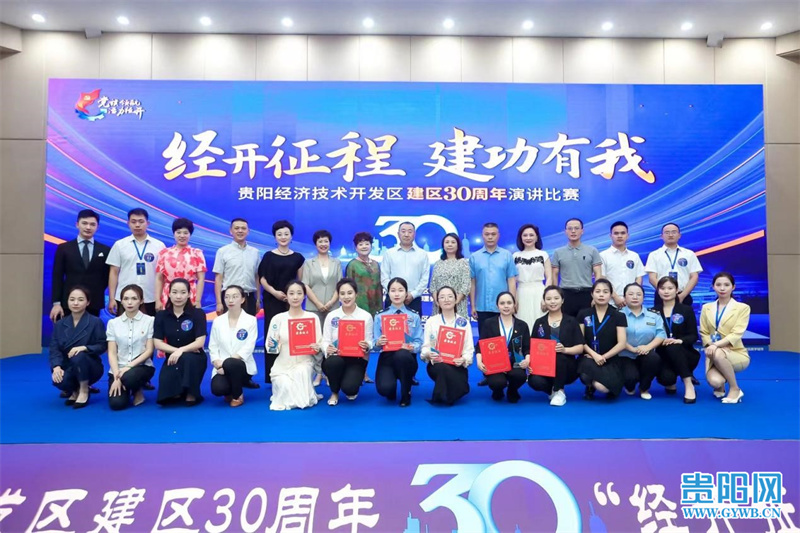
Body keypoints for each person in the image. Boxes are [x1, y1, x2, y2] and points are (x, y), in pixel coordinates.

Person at [259, 220, 305, 383]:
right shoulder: (268, 256)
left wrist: (294, 296)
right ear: (275, 237)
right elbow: (262, 279)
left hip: (292, 302)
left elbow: (300, 281)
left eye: (286, 234)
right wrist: (275, 293)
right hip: (272, 300)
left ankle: (292, 371)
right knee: (273, 335)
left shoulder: (298, 258)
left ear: (291, 236)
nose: (283, 237)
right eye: (279, 234)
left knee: (291, 335)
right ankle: (272, 375)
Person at [264, 280, 322, 410]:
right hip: (282, 365)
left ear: (304, 296)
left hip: (304, 363)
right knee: (284, 385)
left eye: (299, 293)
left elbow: (319, 343)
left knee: (300, 375)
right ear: (286, 296)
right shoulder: (278, 319)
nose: (295, 297)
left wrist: (317, 347)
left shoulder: (312, 318)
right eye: (291, 293)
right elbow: (270, 348)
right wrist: (274, 345)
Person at [154, 278, 208, 406]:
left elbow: (200, 342)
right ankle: (178, 390)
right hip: (173, 358)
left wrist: (182, 350)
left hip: (194, 357)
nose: (178, 296)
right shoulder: (161, 315)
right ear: (169, 293)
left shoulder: (198, 314)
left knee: (187, 358)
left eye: (183, 292)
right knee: (166, 398)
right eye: (175, 292)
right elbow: (157, 343)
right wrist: (177, 351)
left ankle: (191, 393)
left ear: (189, 294)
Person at [49, 286, 106, 408]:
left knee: (78, 356)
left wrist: (84, 348)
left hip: (90, 366)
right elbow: (54, 348)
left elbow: (102, 345)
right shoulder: (60, 324)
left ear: (88, 302)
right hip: (68, 365)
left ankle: (84, 389)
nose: (75, 303)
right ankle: (75, 390)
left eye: (80, 300)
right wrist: (56, 366)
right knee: (58, 380)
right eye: (72, 299)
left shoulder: (95, 322)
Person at [320, 278, 374, 406]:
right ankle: (334, 392)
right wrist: (327, 348)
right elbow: (325, 340)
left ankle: (350, 381)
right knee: (333, 362)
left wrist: (367, 345)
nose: (346, 297)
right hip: (336, 357)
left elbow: (370, 341)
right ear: (338, 296)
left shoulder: (365, 316)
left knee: (350, 389)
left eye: (350, 293)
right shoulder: (332, 316)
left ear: (356, 294)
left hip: (356, 359)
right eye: (342, 293)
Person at [528, 286, 584, 406]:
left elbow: (580, 347)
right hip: (545, 367)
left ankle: (560, 390)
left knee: (558, 356)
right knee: (534, 380)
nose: (552, 302)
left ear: (562, 300)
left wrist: (565, 349)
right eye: (548, 299)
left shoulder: (571, 321)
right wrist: (532, 365)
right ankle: (554, 391)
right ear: (544, 301)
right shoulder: (539, 322)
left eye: (556, 298)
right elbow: (533, 347)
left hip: (567, 366)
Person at [50, 209, 110, 321]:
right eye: (84, 223)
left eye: (92, 224)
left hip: (94, 302)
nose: (88, 227)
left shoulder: (105, 250)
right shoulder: (64, 248)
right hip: (69, 302)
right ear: (77, 224)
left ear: (97, 227)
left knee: (92, 331)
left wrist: (96, 289)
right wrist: (56, 303)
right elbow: (57, 277)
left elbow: (107, 277)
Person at [700, 272, 751, 404]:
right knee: (715, 382)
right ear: (713, 287)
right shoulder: (706, 308)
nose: (722, 288)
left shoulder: (743, 308)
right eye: (718, 285)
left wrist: (717, 345)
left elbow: (736, 333)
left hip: (735, 352)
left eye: (726, 285)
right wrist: (711, 345)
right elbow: (704, 332)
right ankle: (721, 386)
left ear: (733, 287)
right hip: (713, 352)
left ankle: (735, 389)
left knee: (718, 353)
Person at [107, 207, 166, 317]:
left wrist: (160, 298)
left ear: (148, 223)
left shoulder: (159, 246)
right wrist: (111, 298)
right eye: (133, 222)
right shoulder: (119, 245)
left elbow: (162, 275)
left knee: (151, 327)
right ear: (128, 223)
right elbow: (114, 272)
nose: (137, 225)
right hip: (125, 298)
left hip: (151, 298)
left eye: (141, 221)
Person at [374, 277, 423, 407]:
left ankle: (406, 392)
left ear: (406, 293)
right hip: (387, 357)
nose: (397, 294)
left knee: (402, 355)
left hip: (406, 357)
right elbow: (374, 344)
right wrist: (378, 343)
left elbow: (419, 342)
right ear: (388, 293)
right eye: (393, 290)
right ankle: (392, 385)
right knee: (385, 390)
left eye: (400, 290)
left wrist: (411, 346)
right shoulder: (379, 316)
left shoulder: (414, 316)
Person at [420, 286, 474, 405]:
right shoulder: (431, 321)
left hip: (456, 363)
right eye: (442, 297)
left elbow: (469, 349)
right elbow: (425, 347)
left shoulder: (464, 322)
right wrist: (428, 354)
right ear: (437, 301)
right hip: (437, 364)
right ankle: (443, 396)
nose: (446, 300)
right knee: (442, 367)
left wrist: (464, 359)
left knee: (456, 379)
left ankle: (450, 391)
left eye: (450, 296)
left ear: (456, 299)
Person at [302, 229, 343, 386]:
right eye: (320, 241)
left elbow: (340, 285)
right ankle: (319, 373)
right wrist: (318, 304)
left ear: (330, 243)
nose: (323, 244)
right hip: (314, 307)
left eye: (326, 241)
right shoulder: (309, 263)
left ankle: (331, 373)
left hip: (333, 307)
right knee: (317, 340)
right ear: (316, 244)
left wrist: (331, 302)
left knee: (333, 339)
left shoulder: (336, 262)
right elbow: (305, 285)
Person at [106, 284, 155, 410]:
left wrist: (128, 367)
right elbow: (112, 353)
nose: (129, 302)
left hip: (141, 367)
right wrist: (116, 376)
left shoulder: (150, 321)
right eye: (126, 298)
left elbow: (149, 350)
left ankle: (137, 389)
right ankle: (127, 389)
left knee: (129, 377)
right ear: (121, 301)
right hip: (118, 370)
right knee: (117, 404)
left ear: (141, 301)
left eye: (134, 298)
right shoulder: (113, 323)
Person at [577, 279, 627, 399]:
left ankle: (604, 384)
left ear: (610, 295)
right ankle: (590, 386)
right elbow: (580, 340)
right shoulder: (583, 314)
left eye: (605, 292)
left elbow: (622, 343)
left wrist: (603, 357)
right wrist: (594, 355)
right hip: (589, 357)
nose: (601, 295)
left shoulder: (619, 315)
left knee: (603, 387)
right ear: (592, 294)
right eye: (598, 291)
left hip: (610, 358)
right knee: (585, 374)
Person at [209, 285, 258, 407]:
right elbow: (213, 345)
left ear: (242, 299)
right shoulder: (218, 321)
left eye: (235, 297)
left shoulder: (251, 320)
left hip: (242, 365)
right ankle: (229, 390)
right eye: (227, 297)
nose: (230, 300)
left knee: (232, 363)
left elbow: (249, 346)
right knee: (218, 389)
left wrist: (226, 363)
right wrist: (216, 362)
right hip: (221, 366)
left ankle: (238, 395)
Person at [476, 291, 530, 403]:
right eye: (502, 303)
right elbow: (480, 345)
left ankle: (512, 390)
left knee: (520, 376)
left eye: (509, 303)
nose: (506, 306)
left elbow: (527, 347)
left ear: (514, 304)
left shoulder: (522, 325)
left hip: (515, 363)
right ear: (497, 305)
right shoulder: (488, 323)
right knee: (497, 383)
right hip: (494, 364)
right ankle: (498, 390)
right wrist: (479, 361)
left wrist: (527, 359)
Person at [653, 276, 700, 403]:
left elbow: (693, 336)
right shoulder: (653, 311)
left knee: (673, 346)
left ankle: (688, 383)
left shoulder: (686, 310)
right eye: (662, 288)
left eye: (670, 288)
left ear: (677, 290)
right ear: (658, 291)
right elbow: (650, 335)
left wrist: (680, 341)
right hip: (663, 355)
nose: (666, 291)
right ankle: (671, 381)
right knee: (666, 379)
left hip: (685, 353)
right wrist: (660, 341)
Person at [344, 231, 381, 384]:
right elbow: (347, 287)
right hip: (358, 306)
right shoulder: (352, 265)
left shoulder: (376, 264)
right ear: (356, 247)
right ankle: (355, 373)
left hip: (374, 306)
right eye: (361, 244)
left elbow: (379, 286)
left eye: (367, 243)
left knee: (367, 341)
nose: (364, 246)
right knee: (356, 341)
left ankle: (364, 373)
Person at [618, 283, 665, 400]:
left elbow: (661, 334)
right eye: (631, 294)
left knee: (654, 359)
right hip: (625, 354)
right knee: (630, 378)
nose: (635, 297)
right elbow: (615, 337)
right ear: (624, 297)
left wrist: (648, 347)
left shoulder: (654, 315)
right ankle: (630, 386)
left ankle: (644, 388)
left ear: (643, 297)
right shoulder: (617, 315)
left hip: (646, 353)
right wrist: (632, 349)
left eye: (638, 294)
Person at [551, 218, 602, 317]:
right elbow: (554, 275)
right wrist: (555, 296)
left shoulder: (592, 250)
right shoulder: (558, 252)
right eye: (570, 228)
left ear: (582, 231)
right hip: (566, 294)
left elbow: (598, 274)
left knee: (587, 324)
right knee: (567, 324)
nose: (573, 231)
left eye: (576, 228)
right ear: (565, 231)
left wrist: (596, 295)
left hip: (587, 294)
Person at [645, 223, 703, 307]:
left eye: (674, 232)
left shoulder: (689, 254)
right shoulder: (654, 255)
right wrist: (665, 291)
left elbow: (694, 277)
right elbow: (652, 278)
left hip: (683, 296)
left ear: (679, 235)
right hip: (661, 297)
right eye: (667, 232)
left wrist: (682, 295)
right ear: (661, 236)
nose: (670, 235)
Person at [155, 217, 207, 310]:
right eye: (178, 232)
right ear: (174, 233)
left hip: (190, 295)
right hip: (168, 294)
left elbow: (201, 279)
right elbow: (159, 279)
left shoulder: (197, 253)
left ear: (190, 234)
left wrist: (198, 300)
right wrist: (158, 300)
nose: (182, 236)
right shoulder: (164, 253)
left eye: (185, 233)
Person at [213, 218, 260, 316]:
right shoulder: (222, 251)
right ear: (231, 231)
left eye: (243, 228)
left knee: (249, 325)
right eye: (237, 228)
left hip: (249, 297)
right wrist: (219, 303)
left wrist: (258, 299)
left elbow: (257, 277)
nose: (240, 231)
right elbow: (218, 278)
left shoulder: (255, 252)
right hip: (230, 298)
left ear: (248, 231)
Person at [380, 222, 430, 315]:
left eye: (410, 232)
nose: (406, 234)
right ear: (398, 234)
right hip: (392, 300)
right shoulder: (389, 253)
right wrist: (395, 293)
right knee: (391, 324)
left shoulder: (422, 254)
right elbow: (384, 277)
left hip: (414, 300)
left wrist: (413, 294)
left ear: (414, 234)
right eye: (403, 231)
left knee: (414, 324)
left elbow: (424, 278)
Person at [513, 224, 552, 331]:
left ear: (536, 237)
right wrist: (514, 299)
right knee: (522, 323)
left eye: (531, 235)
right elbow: (512, 281)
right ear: (520, 238)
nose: (528, 238)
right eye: (525, 235)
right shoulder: (515, 256)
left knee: (540, 325)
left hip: (539, 292)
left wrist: (546, 297)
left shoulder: (543, 254)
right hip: (521, 292)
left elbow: (549, 277)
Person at [599, 221, 645, 308]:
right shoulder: (603, 255)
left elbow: (639, 277)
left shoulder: (634, 256)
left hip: (631, 302)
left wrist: (632, 296)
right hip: (610, 302)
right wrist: (615, 297)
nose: (619, 236)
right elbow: (602, 279)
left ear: (627, 235)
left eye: (623, 233)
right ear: (610, 236)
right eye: (616, 233)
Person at [429, 233, 470, 318]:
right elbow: (433, 286)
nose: (450, 244)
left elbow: (466, 285)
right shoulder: (438, 264)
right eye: (447, 242)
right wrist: (438, 302)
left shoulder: (463, 263)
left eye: (453, 242)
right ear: (443, 245)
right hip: (439, 307)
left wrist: (453, 302)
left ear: (458, 245)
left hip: (458, 306)